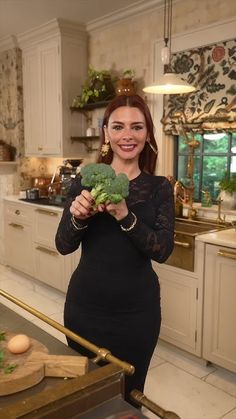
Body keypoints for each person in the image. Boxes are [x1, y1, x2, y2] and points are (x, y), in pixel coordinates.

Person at [55, 94, 175, 406]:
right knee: (82, 396)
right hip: (85, 309)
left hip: (137, 315)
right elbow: (63, 245)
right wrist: (78, 217)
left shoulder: (160, 187)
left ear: (147, 134)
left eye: (137, 127)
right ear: (106, 133)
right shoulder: (84, 180)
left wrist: (125, 214)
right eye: (118, 126)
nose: (127, 135)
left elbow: (162, 250)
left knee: (128, 397)